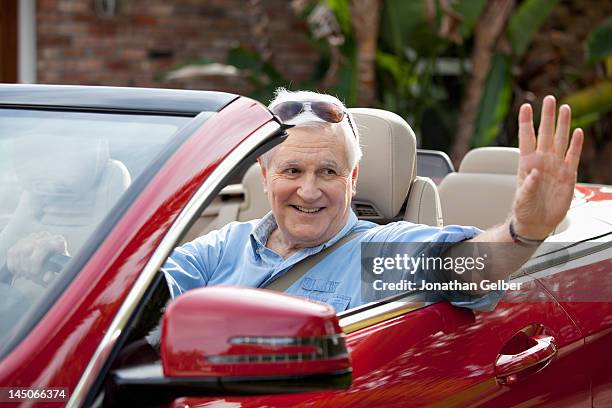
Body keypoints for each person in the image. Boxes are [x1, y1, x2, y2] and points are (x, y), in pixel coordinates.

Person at [5, 89, 583, 312]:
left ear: (354, 182)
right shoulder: (223, 246)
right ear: (265, 172)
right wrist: (57, 266)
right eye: (293, 170)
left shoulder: (373, 253)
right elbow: (145, 298)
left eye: (329, 171)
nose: (309, 190)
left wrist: (522, 231)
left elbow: (468, 270)